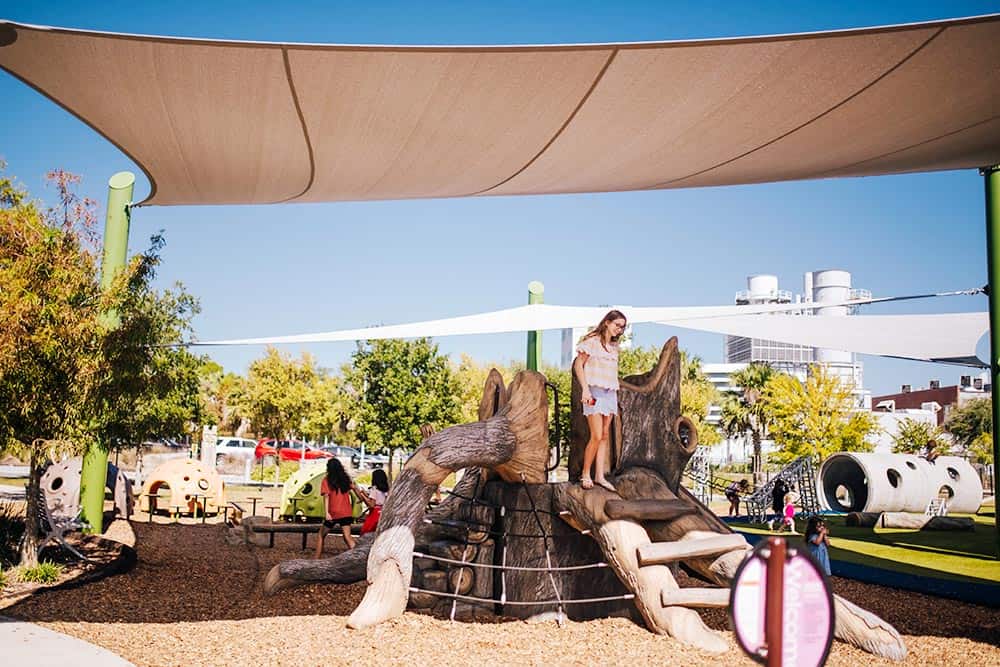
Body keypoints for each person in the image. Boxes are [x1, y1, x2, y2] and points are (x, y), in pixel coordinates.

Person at [572, 309, 628, 492]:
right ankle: (585, 473)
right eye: (617, 325)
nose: (619, 330)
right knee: (595, 435)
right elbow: (578, 365)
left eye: (623, 327)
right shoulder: (591, 343)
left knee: (604, 435)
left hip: (609, 392)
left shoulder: (614, 348)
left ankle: (599, 476)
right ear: (607, 322)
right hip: (594, 391)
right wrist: (585, 390)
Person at [315, 457, 360, 558]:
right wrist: (361, 498)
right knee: (348, 537)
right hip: (346, 512)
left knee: (321, 535)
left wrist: (327, 513)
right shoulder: (345, 479)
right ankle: (358, 557)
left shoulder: (326, 480)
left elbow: (326, 497)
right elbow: (355, 489)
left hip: (333, 513)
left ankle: (316, 560)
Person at [359, 468, 390, 535]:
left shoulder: (374, 489)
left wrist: (363, 497)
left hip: (375, 513)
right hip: (383, 513)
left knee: (366, 532)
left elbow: (372, 505)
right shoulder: (386, 490)